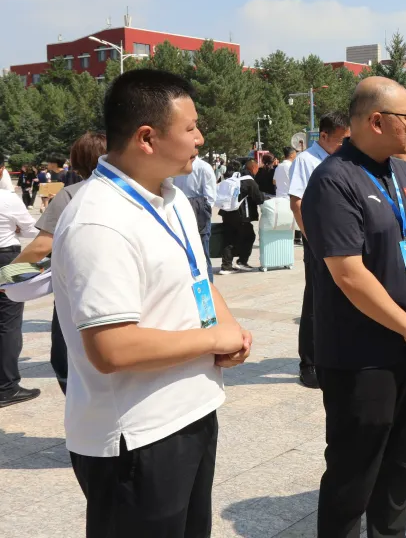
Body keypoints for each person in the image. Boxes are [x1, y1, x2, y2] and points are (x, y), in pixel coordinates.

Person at [51, 69, 252, 537]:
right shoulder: (98, 221)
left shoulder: (170, 196)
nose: (200, 139)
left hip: (192, 411)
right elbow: (112, 348)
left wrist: (229, 332)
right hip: (137, 436)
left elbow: (197, 278)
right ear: (147, 137)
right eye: (190, 128)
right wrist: (212, 339)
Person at [302, 77, 406, 538]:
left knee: (402, 459)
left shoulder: (405, 173)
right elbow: (348, 273)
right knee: (354, 470)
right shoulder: (333, 179)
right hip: (360, 356)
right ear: (377, 121)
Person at [11, 133, 108, 395]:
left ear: (77, 162)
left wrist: (7, 275)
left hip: (80, 292)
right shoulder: (138, 193)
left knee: (67, 362)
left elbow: (42, 246)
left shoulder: (71, 195)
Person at [289, 112, 350, 389]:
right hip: (319, 242)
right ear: (323, 136)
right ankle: (309, 363)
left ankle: (334, 354)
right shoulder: (306, 160)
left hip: (344, 241)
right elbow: (297, 203)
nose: (344, 144)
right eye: (340, 140)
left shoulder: (344, 159)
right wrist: (312, 239)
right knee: (315, 301)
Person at [0, 180, 40, 408]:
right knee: (8, 323)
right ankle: (6, 387)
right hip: (5, 258)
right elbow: (32, 230)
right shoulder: (6, 198)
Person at [173, 154, 218, 283]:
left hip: (199, 215)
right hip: (180, 213)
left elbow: (210, 197)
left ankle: (208, 286)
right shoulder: (178, 167)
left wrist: (199, 208)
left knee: (202, 254)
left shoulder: (204, 168)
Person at [218, 159, 264, 273]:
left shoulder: (233, 177)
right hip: (241, 215)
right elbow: (259, 199)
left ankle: (226, 266)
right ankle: (242, 261)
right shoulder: (249, 181)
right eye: (257, 168)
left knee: (229, 239)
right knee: (249, 236)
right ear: (253, 168)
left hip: (226, 212)